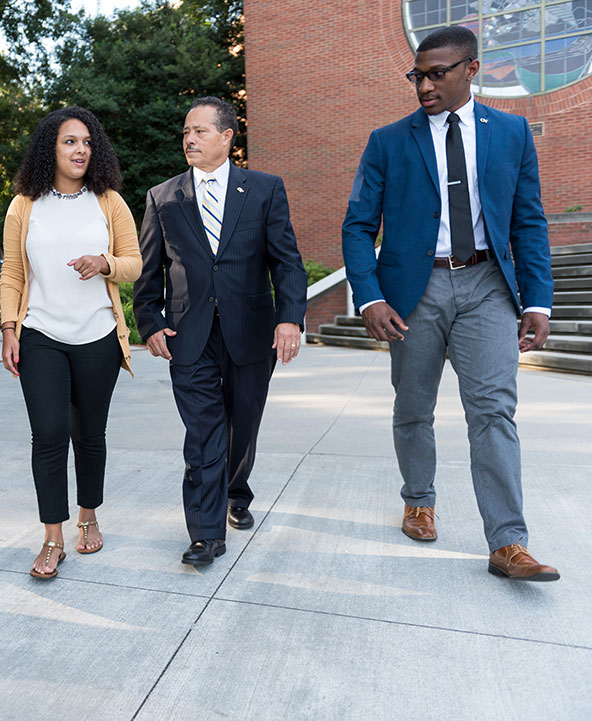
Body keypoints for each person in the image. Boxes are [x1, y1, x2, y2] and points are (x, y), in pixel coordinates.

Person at [342, 26, 558, 581]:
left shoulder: (510, 133)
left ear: (472, 69)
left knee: (493, 411)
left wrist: (538, 300)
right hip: (417, 291)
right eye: (418, 74)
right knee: (413, 406)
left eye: (438, 73)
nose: (424, 85)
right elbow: (359, 225)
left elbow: (529, 221)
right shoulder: (389, 141)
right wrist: (369, 297)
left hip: (488, 285)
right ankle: (418, 498)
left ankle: (508, 541)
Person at [134, 96, 307, 566]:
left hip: (251, 333)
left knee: (242, 427)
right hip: (189, 338)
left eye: (200, 131)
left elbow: (286, 261)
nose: (189, 139)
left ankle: (236, 489)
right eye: (186, 132)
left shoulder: (266, 189)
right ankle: (205, 534)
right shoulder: (162, 196)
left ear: (228, 136)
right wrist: (149, 322)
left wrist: (289, 317)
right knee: (204, 435)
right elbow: (149, 272)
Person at [0, 107, 141, 580]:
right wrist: (8, 329)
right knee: (49, 435)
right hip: (39, 334)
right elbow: (13, 273)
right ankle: (52, 538)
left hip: (98, 335)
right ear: (50, 149)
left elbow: (134, 263)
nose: (80, 150)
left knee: (89, 435)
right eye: (69, 142)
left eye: (86, 142)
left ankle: (90, 515)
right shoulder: (24, 204)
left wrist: (104, 263)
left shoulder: (109, 201)